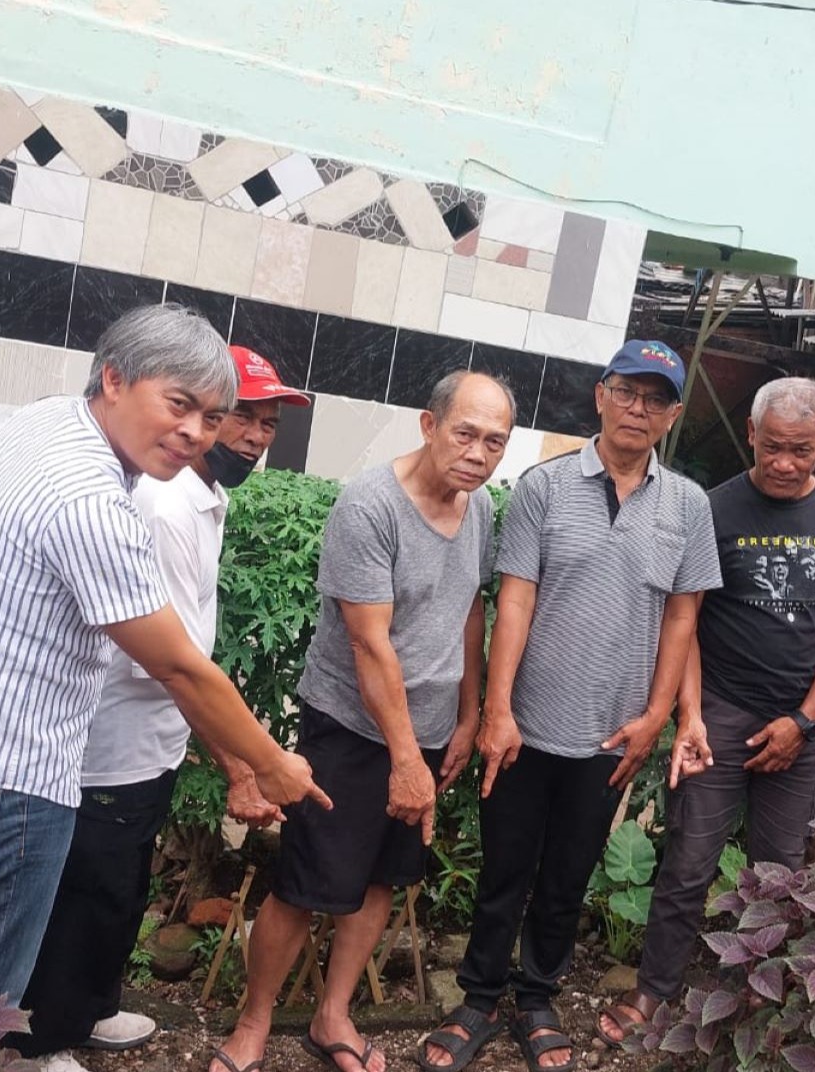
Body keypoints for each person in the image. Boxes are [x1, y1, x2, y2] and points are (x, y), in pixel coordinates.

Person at [0, 305, 328, 1033]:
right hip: (8, 782)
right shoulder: (93, 503)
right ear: (114, 378)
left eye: (212, 416)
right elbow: (178, 666)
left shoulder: (42, 421)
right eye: (179, 404)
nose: (196, 432)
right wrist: (269, 764)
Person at [419, 342, 721, 1072]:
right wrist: (497, 710)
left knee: (568, 875)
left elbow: (683, 617)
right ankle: (479, 998)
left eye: (655, 399)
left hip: (613, 735)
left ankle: (536, 999)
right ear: (601, 396)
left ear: (673, 415)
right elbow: (515, 599)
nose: (638, 409)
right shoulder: (544, 486)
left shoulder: (688, 505)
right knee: (505, 868)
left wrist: (659, 716)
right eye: (626, 392)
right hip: (524, 728)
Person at [10, 345, 310, 1072]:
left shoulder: (203, 495)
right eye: (239, 417)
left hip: (151, 742)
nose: (254, 437)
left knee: (121, 886)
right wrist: (247, 767)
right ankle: (40, 1039)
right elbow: (174, 663)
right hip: (109, 744)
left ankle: (91, 1008)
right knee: (87, 893)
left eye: (267, 424)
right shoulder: (167, 507)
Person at [214, 371, 514, 1072]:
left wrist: (467, 713)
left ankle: (333, 1016)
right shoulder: (370, 506)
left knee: (381, 880)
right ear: (429, 425)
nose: (478, 454)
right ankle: (253, 1024)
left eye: (495, 442)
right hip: (350, 728)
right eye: (465, 434)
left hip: (429, 731)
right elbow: (367, 644)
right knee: (306, 881)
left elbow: (470, 608)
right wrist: (405, 760)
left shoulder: (478, 507)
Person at [599, 377, 815, 1044]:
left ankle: (755, 1003)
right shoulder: (712, 508)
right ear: (751, 434)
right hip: (719, 714)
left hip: (800, 724)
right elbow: (685, 619)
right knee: (689, 861)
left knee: (781, 874)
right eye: (773, 446)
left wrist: (804, 721)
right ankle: (654, 992)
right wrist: (691, 715)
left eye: (801, 450)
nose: (784, 463)